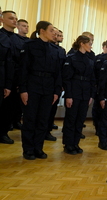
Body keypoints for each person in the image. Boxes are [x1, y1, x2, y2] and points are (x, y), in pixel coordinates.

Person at [19, 21, 62, 160]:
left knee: (43, 120)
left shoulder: (55, 50)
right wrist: (23, 90)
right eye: (51, 30)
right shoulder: (30, 46)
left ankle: (38, 148)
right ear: (42, 31)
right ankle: (28, 150)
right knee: (30, 119)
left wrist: (56, 91)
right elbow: (23, 69)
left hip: (48, 88)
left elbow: (57, 73)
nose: (54, 33)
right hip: (33, 86)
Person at [62, 35, 95, 155]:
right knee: (71, 119)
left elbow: (92, 79)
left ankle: (76, 143)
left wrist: (91, 95)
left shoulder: (90, 59)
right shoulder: (71, 58)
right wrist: (69, 95)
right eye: (90, 44)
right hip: (74, 91)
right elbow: (67, 79)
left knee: (80, 120)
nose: (91, 46)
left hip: (85, 93)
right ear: (82, 43)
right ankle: (68, 144)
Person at [0, 10, 26, 144]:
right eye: (11, 18)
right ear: (2, 20)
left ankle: (3, 132)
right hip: (1, 75)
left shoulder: (19, 40)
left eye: (16, 18)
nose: (14, 21)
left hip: (15, 78)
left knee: (10, 108)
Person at [45, 27, 66, 141]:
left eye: (59, 35)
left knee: (52, 109)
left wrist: (61, 84)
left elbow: (62, 69)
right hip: (45, 82)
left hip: (56, 83)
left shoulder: (61, 50)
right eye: (56, 34)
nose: (57, 37)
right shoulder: (44, 48)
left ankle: (47, 130)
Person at [92, 39, 107, 136]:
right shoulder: (98, 57)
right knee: (98, 108)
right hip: (99, 86)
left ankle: (106, 129)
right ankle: (98, 127)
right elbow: (94, 72)